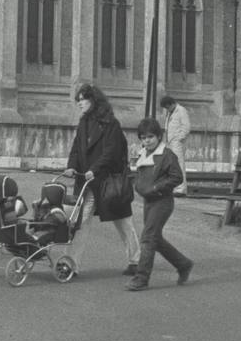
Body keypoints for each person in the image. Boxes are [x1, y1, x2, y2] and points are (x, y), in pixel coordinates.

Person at [63, 83, 141, 275]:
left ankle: (136, 260)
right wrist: (71, 166)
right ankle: (70, 264)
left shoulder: (110, 124)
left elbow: (111, 152)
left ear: (94, 100)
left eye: (83, 99)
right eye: (78, 100)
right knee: (79, 223)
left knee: (124, 222)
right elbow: (76, 147)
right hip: (87, 184)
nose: (80, 103)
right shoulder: (83, 123)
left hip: (108, 183)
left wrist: (94, 169)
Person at [126, 117, 193, 291]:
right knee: (155, 239)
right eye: (143, 137)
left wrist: (156, 187)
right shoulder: (143, 153)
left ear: (158, 136)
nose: (146, 141)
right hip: (149, 201)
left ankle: (141, 278)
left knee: (148, 238)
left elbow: (177, 177)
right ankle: (183, 264)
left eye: (150, 137)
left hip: (162, 201)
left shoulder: (167, 155)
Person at [160, 95, 191, 196]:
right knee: (171, 165)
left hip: (177, 142)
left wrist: (179, 138)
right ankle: (174, 187)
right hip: (170, 142)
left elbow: (186, 127)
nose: (167, 109)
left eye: (167, 107)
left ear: (172, 104)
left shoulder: (181, 110)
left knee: (179, 164)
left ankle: (181, 188)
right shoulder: (171, 112)